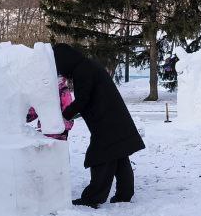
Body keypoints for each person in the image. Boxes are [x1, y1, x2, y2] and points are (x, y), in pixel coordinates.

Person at [52, 44, 144, 207]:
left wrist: (63, 114)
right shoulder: (88, 65)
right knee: (119, 154)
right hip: (113, 119)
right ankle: (124, 194)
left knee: (101, 157)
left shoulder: (83, 70)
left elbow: (83, 100)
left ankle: (93, 197)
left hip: (106, 122)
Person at [27, 75, 75, 140]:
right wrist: (27, 116)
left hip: (59, 132)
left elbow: (68, 110)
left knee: (58, 149)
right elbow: (36, 107)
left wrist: (64, 127)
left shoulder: (63, 92)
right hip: (45, 131)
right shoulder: (43, 91)